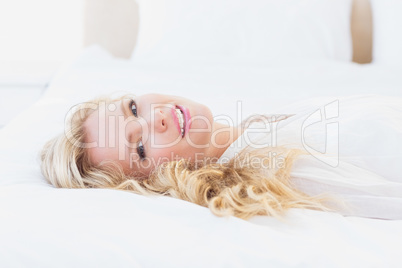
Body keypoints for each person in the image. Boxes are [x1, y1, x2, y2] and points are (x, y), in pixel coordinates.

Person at [40, 93, 402, 220]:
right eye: (140, 147)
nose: (157, 117)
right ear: (153, 181)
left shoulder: (252, 131)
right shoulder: (272, 166)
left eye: (133, 107)